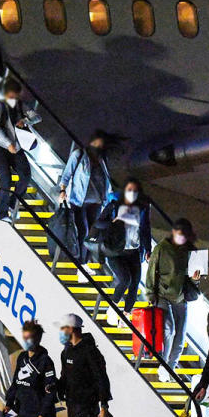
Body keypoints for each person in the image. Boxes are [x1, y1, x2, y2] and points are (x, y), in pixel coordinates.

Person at [145, 218, 202, 381]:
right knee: (169, 329)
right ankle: (164, 363)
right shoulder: (161, 248)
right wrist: (151, 295)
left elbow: (196, 281)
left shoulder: (193, 251)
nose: (181, 239)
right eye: (179, 235)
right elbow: (151, 273)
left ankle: (169, 368)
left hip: (181, 297)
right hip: (162, 295)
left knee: (180, 336)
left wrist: (196, 279)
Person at [92, 178, 151, 327]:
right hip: (116, 250)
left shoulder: (142, 208)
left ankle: (125, 315)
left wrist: (148, 249)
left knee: (135, 283)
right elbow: (98, 223)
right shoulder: (114, 205)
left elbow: (145, 229)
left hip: (134, 250)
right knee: (125, 279)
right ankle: (112, 309)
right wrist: (114, 221)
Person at [58, 131, 114, 268]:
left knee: (92, 236)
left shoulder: (102, 159)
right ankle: (81, 263)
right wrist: (63, 190)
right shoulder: (79, 155)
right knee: (83, 231)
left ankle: (84, 261)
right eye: (97, 142)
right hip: (79, 201)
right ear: (91, 142)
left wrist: (108, 199)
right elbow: (66, 174)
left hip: (97, 202)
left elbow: (107, 180)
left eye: (101, 143)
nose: (99, 146)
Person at [0, 78, 34, 222]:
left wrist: (25, 121)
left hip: (18, 146)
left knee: (26, 175)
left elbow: (36, 116)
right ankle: (1, 213)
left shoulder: (20, 105)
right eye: (12, 94)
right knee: (6, 181)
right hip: (1, 148)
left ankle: (12, 203)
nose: (14, 97)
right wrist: (8, 143)